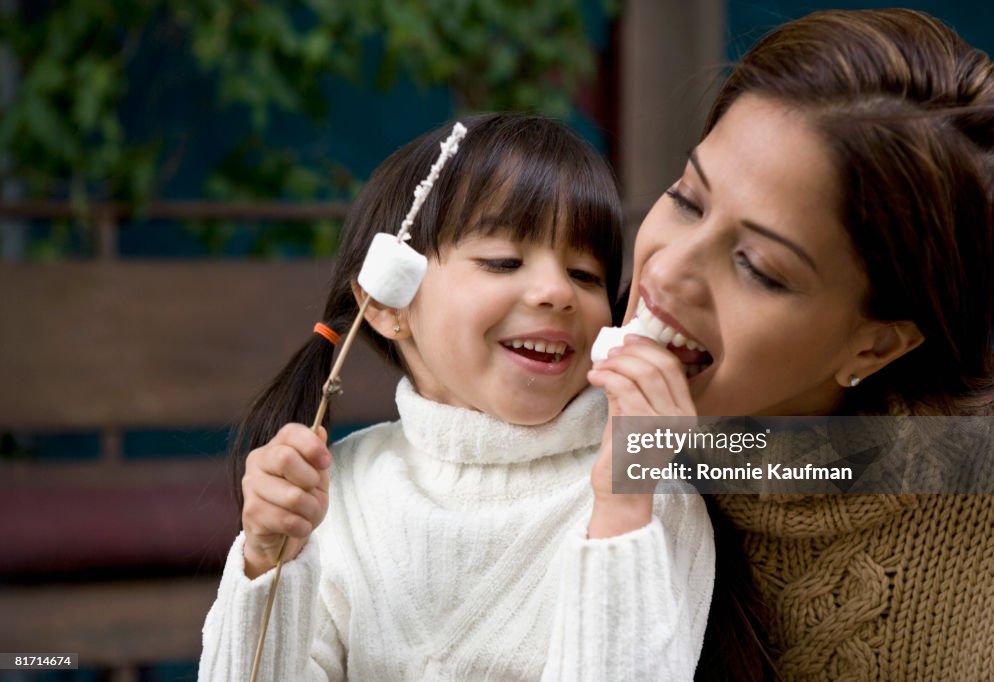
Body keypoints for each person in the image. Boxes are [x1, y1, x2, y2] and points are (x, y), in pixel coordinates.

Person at [587, 8, 994, 680]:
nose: (666, 270)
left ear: (875, 347)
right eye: (687, 199)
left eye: (757, 267)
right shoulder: (551, 410)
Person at [198, 113, 715, 681]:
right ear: (389, 305)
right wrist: (267, 560)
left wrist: (621, 508)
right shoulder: (338, 494)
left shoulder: (651, 498)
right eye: (503, 262)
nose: (557, 292)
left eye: (586, 274)